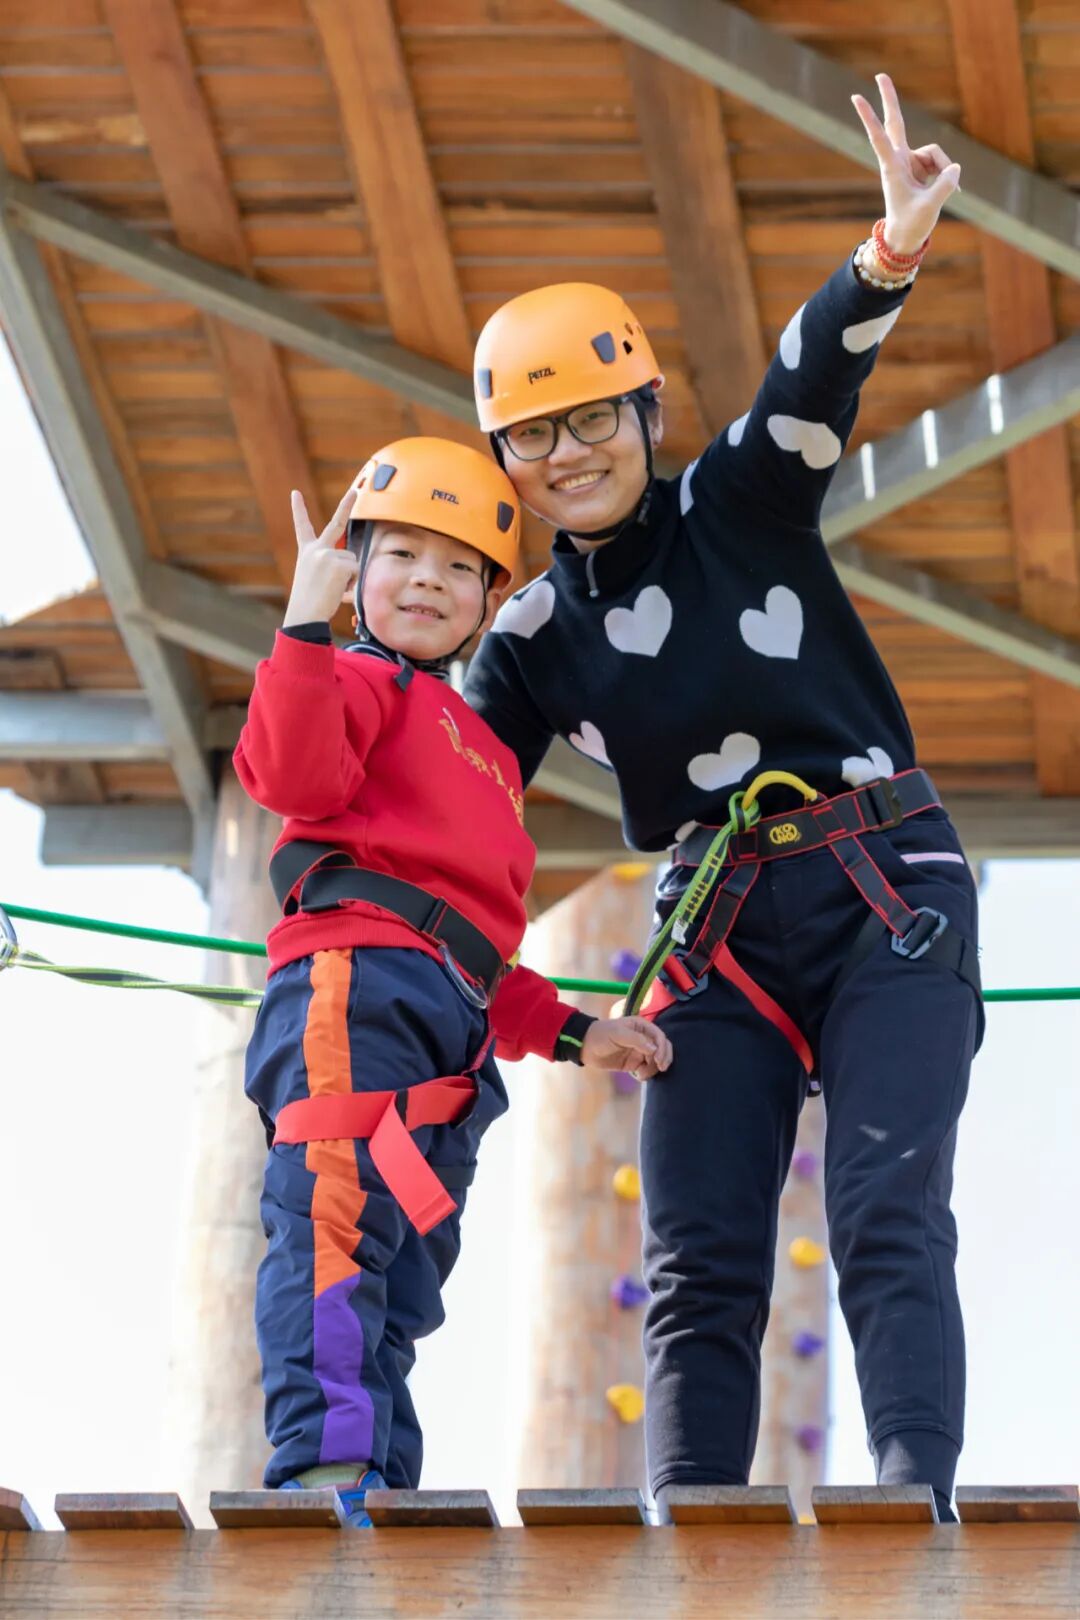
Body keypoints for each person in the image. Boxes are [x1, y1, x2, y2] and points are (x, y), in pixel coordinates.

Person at [463, 77, 981, 1522]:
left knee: (887, 1214)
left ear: (644, 412)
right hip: (719, 933)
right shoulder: (526, 642)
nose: (569, 452)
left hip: (886, 886)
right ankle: (691, 1531)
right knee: (699, 1260)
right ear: (506, 462)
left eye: (593, 418)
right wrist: (337, 655)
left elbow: (812, 381)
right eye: (534, 435)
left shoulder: (735, 505)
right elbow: (439, 810)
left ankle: (909, 1514)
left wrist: (888, 249)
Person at [235, 437, 672, 1525]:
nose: (426, 579)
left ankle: (379, 1478)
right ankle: (327, 1469)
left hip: (454, 1029)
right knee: (336, 1216)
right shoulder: (348, 676)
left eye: (457, 565)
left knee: (405, 1267)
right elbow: (290, 775)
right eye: (402, 556)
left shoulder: (478, 747)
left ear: (488, 602)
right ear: (360, 571)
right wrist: (302, 623)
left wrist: (577, 1034)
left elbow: (480, 947)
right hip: (358, 986)